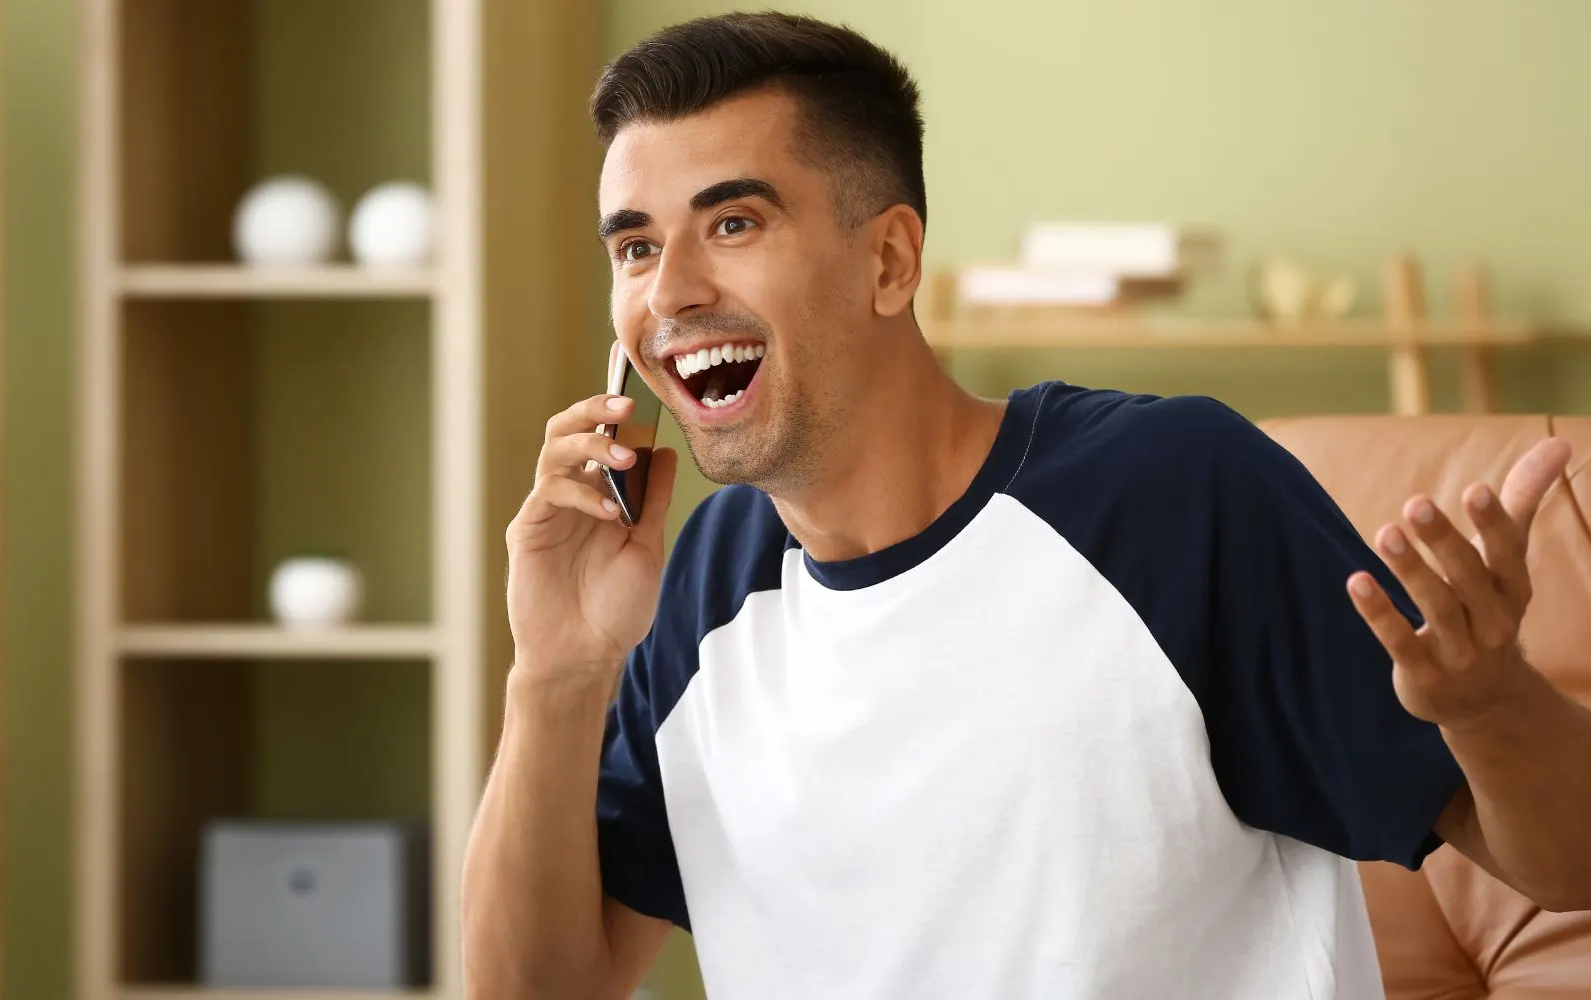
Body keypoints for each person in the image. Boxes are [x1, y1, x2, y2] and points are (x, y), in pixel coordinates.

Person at [460, 11, 1590, 999]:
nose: (671, 293)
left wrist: (1488, 705)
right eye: (638, 246)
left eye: (734, 224)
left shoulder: (1168, 493)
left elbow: (1565, 863)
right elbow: (538, 987)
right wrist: (554, 673)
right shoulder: (699, 585)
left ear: (891, 261)